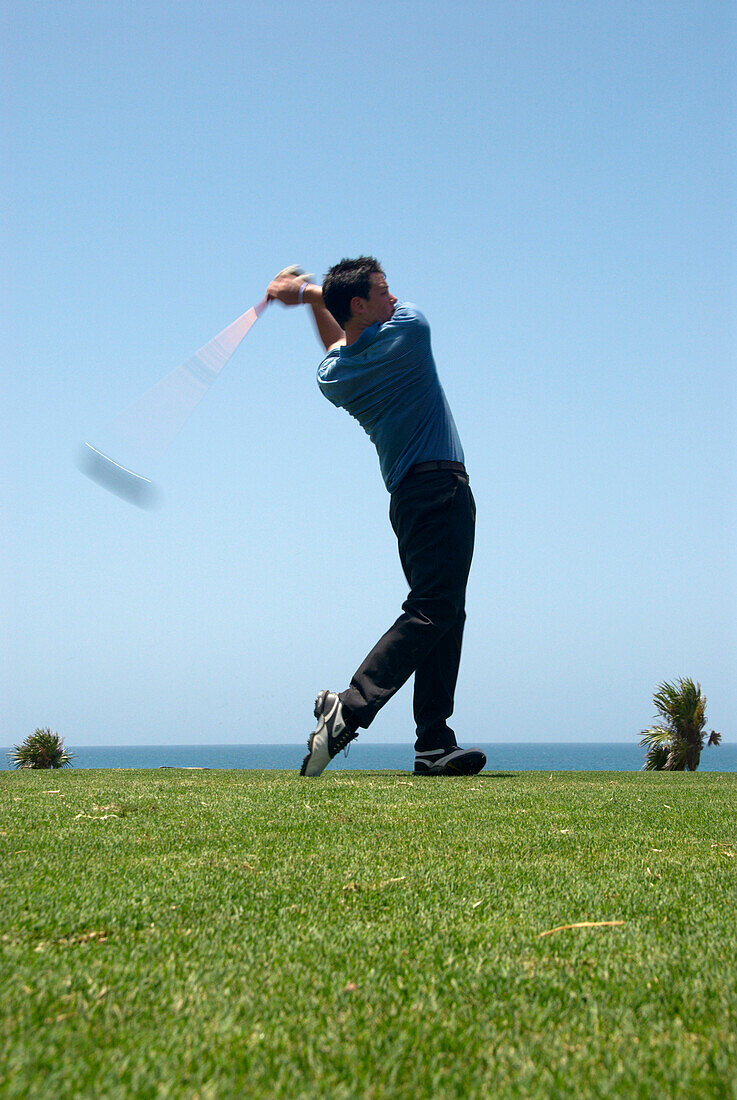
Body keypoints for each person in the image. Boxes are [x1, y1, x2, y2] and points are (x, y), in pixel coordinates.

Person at [266, 258, 484, 778]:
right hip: (441, 489)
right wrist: (305, 290)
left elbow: (339, 343)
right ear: (360, 304)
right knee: (435, 609)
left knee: (443, 612)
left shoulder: (333, 378)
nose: (394, 298)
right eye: (383, 291)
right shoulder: (410, 330)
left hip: (407, 500)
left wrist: (302, 297)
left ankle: (433, 743)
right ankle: (352, 706)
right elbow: (343, 314)